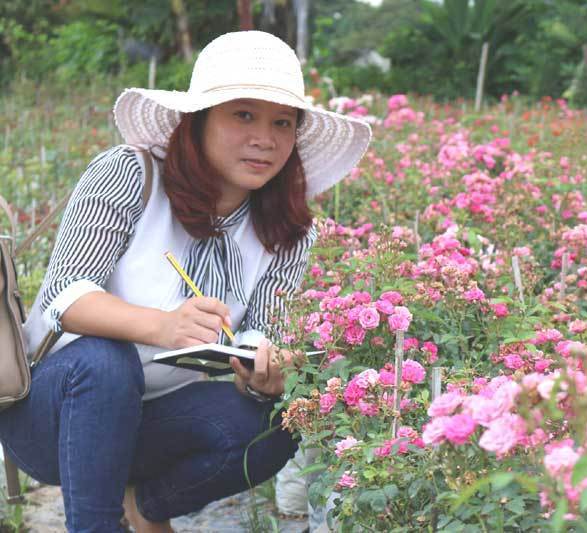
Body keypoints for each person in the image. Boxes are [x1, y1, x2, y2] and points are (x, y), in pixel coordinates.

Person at [0, 31, 370, 533]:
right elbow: (65, 295)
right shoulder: (130, 175)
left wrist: (264, 368)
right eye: (243, 115)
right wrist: (162, 326)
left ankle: (149, 509)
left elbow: (264, 326)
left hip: (153, 421)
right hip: (54, 415)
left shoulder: (285, 229)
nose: (265, 138)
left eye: (282, 122)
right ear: (197, 122)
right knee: (105, 359)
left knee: (276, 422)